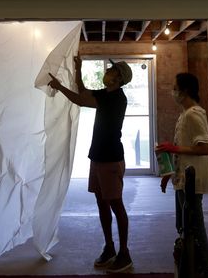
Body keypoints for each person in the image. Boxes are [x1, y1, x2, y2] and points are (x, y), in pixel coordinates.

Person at [48, 56, 133, 273]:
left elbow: (79, 100)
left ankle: (124, 254)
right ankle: (110, 248)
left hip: (111, 159)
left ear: (118, 78)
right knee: (102, 203)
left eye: (112, 71)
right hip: (97, 156)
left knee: (116, 204)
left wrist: (58, 86)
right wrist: (78, 69)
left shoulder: (117, 98)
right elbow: (84, 91)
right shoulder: (106, 94)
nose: (108, 72)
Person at [155, 72, 208, 278]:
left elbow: (205, 148)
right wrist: (168, 172)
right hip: (182, 180)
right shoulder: (184, 114)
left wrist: (174, 148)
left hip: (191, 181)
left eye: (175, 87)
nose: (173, 92)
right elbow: (183, 148)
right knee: (183, 226)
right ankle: (190, 269)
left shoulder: (193, 114)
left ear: (185, 90)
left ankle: (204, 272)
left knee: (195, 228)